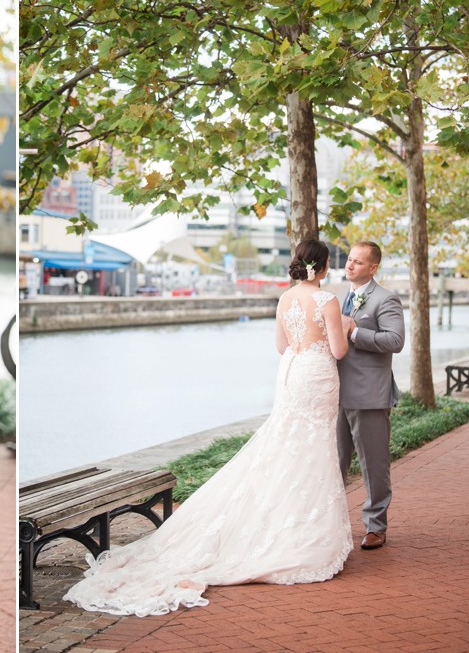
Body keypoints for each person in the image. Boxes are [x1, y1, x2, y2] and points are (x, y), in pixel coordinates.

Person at [64, 239, 352, 616]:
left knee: (286, 443)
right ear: (325, 266)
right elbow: (339, 350)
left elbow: (282, 346)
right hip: (316, 376)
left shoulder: (284, 299)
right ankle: (298, 532)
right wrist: (346, 325)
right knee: (311, 448)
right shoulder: (328, 301)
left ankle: (280, 524)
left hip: (291, 374)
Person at [337, 241, 405, 550]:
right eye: (349, 260)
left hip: (369, 396)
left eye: (358, 262)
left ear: (373, 268)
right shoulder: (341, 298)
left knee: (373, 466)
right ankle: (332, 524)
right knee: (334, 463)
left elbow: (395, 340)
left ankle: (376, 527)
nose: (350, 266)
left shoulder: (385, 299)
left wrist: (354, 333)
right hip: (337, 394)